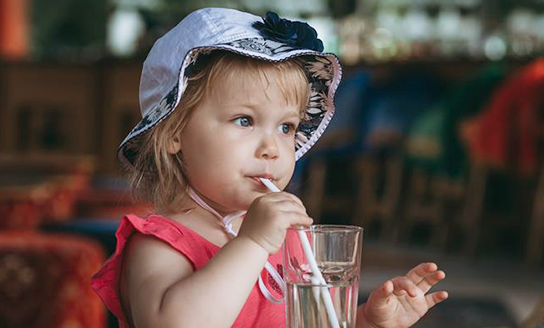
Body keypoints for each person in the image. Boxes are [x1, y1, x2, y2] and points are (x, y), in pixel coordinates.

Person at [91, 8, 448, 328]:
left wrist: (365, 320)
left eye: (286, 127)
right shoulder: (160, 244)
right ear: (174, 133)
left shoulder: (278, 240)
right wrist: (253, 243)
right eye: (244, 120)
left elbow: (311, 321)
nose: (272, 148)